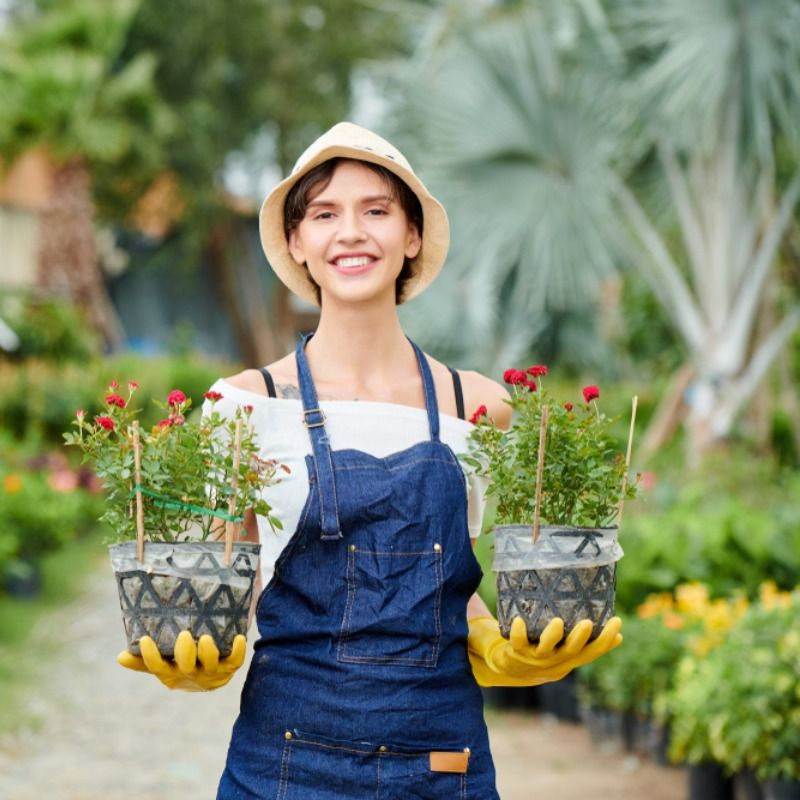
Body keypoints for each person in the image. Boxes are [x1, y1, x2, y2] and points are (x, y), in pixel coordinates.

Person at [117, 122, 623, 798]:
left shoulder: (477, 405)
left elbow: (447, 577)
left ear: (411, 236)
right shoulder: (245, 405)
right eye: (325, 214)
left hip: (442, 765)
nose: (351, 232)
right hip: (285, 766)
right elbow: (223, 578)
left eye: (376, 211)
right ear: (297, 242)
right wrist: (200, 645)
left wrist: (507, 645)